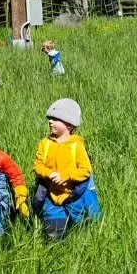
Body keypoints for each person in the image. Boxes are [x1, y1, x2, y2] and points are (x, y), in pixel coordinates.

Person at [32, 98, 101, 239]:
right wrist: (48, 173)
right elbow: (38, 166)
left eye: (56, 119)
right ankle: (56, 244)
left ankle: (82, 244)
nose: (51, 122)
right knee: (54, 230)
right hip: (51, 196)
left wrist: (65, 175)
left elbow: (85, 170)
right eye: (50, 118)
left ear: (69, 125)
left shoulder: (77, 146)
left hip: (74, 196)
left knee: (82, 229)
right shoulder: (45, 144)